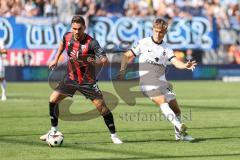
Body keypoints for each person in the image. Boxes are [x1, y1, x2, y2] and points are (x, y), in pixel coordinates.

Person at [40, 15, 122, 144]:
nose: (76, 32)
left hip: (87, 82)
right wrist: (56, 59)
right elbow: (62, 43)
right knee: (53, 99)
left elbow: (104, 60)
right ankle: (53, 130)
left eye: (79, 29)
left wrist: (94, 62)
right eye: (74, 28)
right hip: (71, 78)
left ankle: (114, 136)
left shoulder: (92, 43)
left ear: (84, 27)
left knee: (102, 108)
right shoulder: (67, 36)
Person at [118, 18, 197, 141]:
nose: (158, 34)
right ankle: (179, 125)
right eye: (156, 31)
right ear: (153, 30)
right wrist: (122, 71)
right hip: (147, 82)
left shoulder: (166, 48)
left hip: (161, 82)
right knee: (162, 100)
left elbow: (175, 62)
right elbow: (127, 55)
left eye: (161, 32)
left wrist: (185, 65)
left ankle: (179, 135)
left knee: (176, 108)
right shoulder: (143, 43)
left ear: (165, 32)